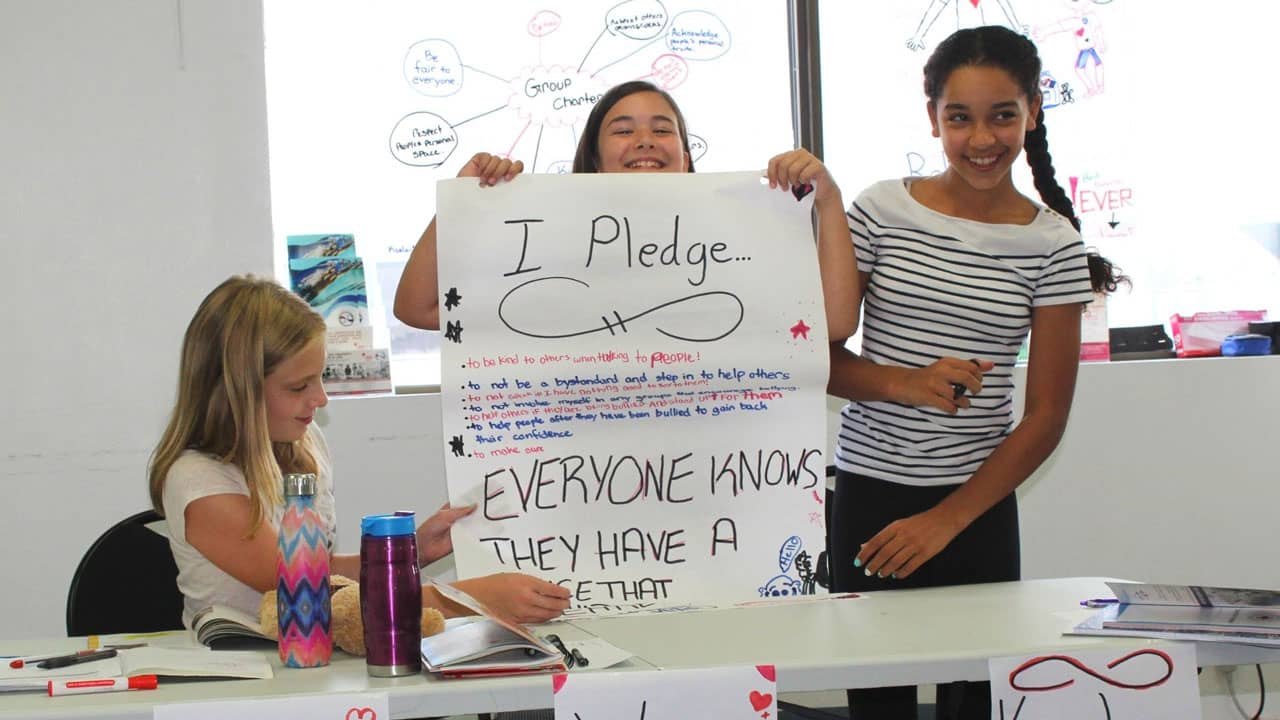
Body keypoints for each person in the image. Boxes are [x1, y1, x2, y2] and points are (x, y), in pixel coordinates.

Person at [826, 26, 1126, 720]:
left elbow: (1047, 415)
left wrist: (946, 520)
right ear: (932, 116)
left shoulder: (1053, 244)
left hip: (979, 508)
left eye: (1002, 115)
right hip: (869, 500)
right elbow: (821, 355)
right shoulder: (880, 209)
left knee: (975, 702)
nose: (981, 139)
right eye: (959, 117)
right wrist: (904, 381)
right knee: (878, 702)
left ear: (1033, 112)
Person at [148, 275, 571, 630]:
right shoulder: (198, 483)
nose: (320, 399)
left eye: (320, 378)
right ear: (236, 393)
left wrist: (408, 552)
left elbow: (324, 570)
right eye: (299, 387)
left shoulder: (304, 444)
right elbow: (309, 595)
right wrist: (466, 598)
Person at [394, 79, 858, 340]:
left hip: (720, 477)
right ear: (594, 159)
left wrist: (829, 200)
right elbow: (417, 307)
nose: (644, 141)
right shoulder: (548, 250)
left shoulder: (736, 247)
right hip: (579, 485)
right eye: (622, 130)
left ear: (686, 157)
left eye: (662, 129)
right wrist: (461, 201)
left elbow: (835, 323)